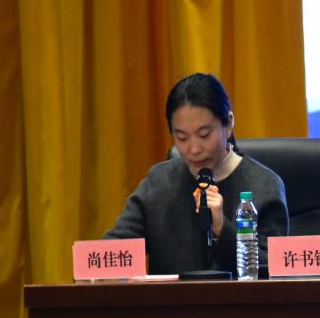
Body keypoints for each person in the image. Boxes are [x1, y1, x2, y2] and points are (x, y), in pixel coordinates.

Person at [105, 72, 289, 275]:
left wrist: (222, 228)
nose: (194, 149)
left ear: (228, 124)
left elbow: (274, 270)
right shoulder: (159, 182)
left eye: (204, 135)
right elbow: (115, 250)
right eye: (182, 137)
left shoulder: (264, 184)